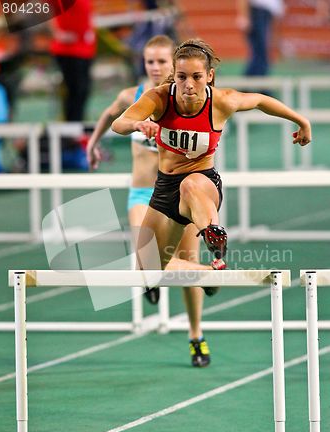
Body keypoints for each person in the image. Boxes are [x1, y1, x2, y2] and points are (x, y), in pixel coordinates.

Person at [111, 38, 311, 333]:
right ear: (174, 76)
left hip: (202, 185)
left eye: (196, 77)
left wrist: (301, 120)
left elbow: (260, 100)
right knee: (148, 271)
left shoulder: (222, 100)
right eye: (181, 77)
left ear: (209, 76)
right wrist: (139, 124)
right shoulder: (159, 98)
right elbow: (119, 123)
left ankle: (213, 233)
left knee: (192, 184)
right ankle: (208, 273)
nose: (188, 85)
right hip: (164, 190)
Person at [87, 35, 216, 368]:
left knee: (185, 262)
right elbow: (111, 116)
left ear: (175, 64)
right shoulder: (135, 96)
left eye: (162, 61)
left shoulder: (187, 96)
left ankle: (196, 334)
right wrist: (93, 144)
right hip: (144, 194)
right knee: (144, 258)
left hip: (179, 191)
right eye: (150, 61)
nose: (156, 67)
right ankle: (189, 274)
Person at [50, 0, 96, 122]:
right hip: (68, 50)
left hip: (85, 49)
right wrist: (55, 32)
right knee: (75, 92)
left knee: (82, 92)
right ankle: (71, 130)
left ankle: (76, 127)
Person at [236, 0, 285, 78]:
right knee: (260, 54)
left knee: (262, 54)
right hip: (257, 13)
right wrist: (244, 16)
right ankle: (255, 84)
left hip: (265, 15)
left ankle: (251, 84)